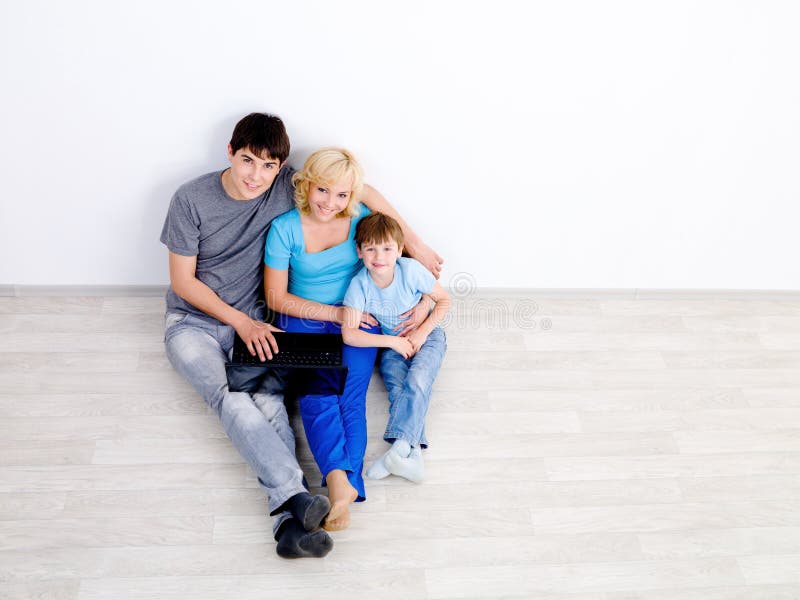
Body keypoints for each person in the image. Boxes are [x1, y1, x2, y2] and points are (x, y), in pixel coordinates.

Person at [160, 114, 442, 558]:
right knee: (233, 397)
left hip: (259, 322)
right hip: (195, 323)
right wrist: (244, 322)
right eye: (247, 160)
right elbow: (183, 281)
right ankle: (295, 497)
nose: (256, 175)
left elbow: (358, 189)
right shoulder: (192, 198)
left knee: (274, 404)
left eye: (268, 166)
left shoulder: (287, 185)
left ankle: (294, 525)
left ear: (282, 167)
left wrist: (418, 247)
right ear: (229, 152)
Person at [264, 148, 438, 532]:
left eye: (342, 194)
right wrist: (336, 313)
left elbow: (394, 247)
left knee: (351, 396)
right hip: (304, 317)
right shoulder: (285, 229)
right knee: (316, 393)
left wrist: (425, 299)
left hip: (361, 316)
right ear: (307, 184)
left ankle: (346, 487)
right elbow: (276, 297)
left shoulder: (359, 217)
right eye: (322, 190)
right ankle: (338, 481)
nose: (331, 202)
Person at [341, 212, 450, 483]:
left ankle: (400, 447)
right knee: (397, 387)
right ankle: (413, 458)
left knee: (419, 380)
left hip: (428, 336)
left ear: (400, 250)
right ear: (359, 251)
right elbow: (349, 335)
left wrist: (422, 333)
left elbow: (444, 301)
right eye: (371, 249)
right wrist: (393, 342)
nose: (380, 257)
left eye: (388, 248)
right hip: (393, 345)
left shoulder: (410, 271)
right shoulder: (359, 285)